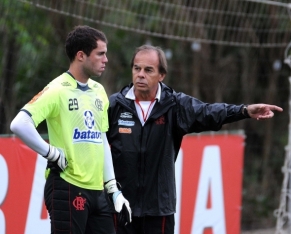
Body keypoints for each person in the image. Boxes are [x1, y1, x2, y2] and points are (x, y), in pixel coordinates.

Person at [106, 44, 283, 234]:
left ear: (161, 75)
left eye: (148, 70)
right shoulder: (115, 105)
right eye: (137, 68)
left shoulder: (174, 104)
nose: (141, 74)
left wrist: (244, 110)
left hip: (159, 210)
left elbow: (209, 112)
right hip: (121, 206)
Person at [10, 25, 131, 234]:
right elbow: (19, 124)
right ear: (81, 55)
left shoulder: (99, 91)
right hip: (67, 187)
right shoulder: (57, 89)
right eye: (100, 54)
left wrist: (113, 189)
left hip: (97, 191)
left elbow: (102, 139)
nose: (106, 59)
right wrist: (51, 152)